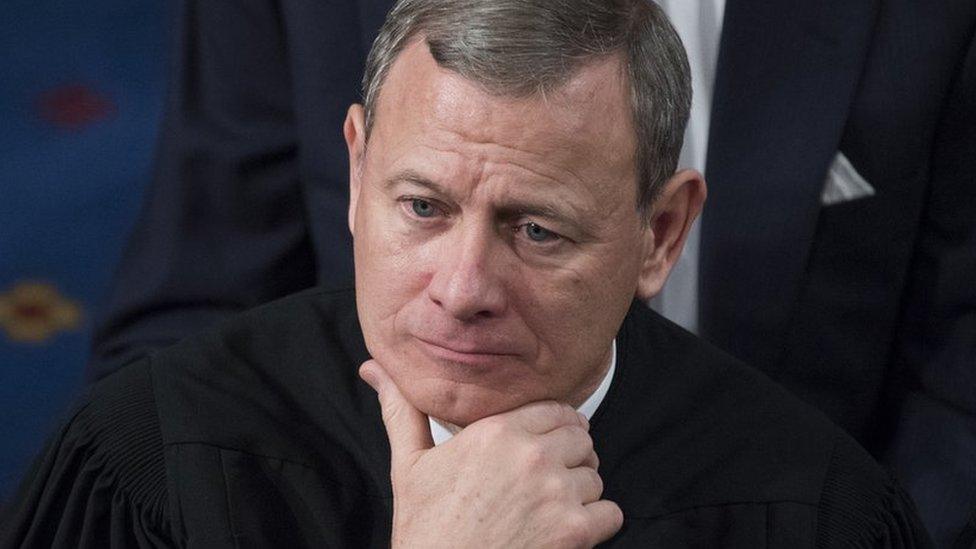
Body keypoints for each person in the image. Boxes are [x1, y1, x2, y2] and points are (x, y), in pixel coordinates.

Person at [2, 1, 936, 546]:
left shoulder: (821, 514)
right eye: (424, 207)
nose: (462, 286)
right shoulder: (147, 461)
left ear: (661, 233)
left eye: (536, 230)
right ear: (358, 170)